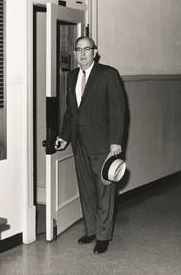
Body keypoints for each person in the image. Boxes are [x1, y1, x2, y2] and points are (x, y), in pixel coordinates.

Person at [55, 36, 126, 254]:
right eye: (79, 50)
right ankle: (91, 230)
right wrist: (64, 136)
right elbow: (71, 112)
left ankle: (103, 236)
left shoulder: (108, 74)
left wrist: (116, 141)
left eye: (87, 49)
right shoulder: (72, 76)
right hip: (79, 143)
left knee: (105, 189)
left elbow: (118, 110)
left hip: (102, 143)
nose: (83, 53)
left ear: (95, 52)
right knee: (86, 189)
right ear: (75, 53)